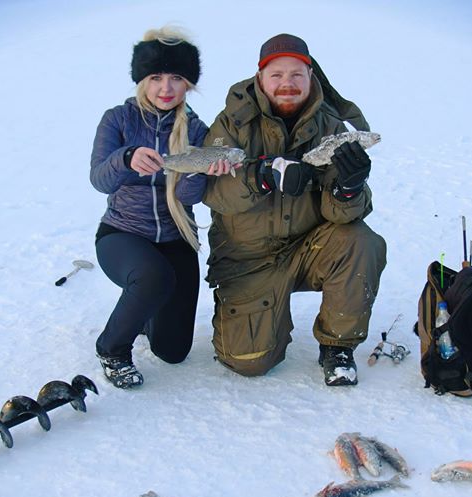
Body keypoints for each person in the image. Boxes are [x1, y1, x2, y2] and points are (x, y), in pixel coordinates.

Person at [202, 33, 387, 386]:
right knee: (248, 362)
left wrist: (349, 188)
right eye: (277, 74)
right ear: (260, 78)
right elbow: (214, 193)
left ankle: (337, 346)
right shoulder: (231, 123)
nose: (287, 83)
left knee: (360, 241)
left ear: (310, 76)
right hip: (247, 260)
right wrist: (261, 177)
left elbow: (342, 216)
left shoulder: (331, 127)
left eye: (296, 74)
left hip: (308, 249)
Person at [90, 27, 233, 389]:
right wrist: (126, 158)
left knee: (172, 351)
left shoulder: (198, 130)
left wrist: (198, 169)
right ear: (142, 80)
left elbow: (188, 197)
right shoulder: (118, 119)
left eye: (176, 78)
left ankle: (142, 307)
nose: (165, 88)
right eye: (156, 77)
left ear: (188, 85)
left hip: (176, 236)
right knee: (153, 276)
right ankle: (112, 348)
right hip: (122, 234)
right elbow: (100, 180)